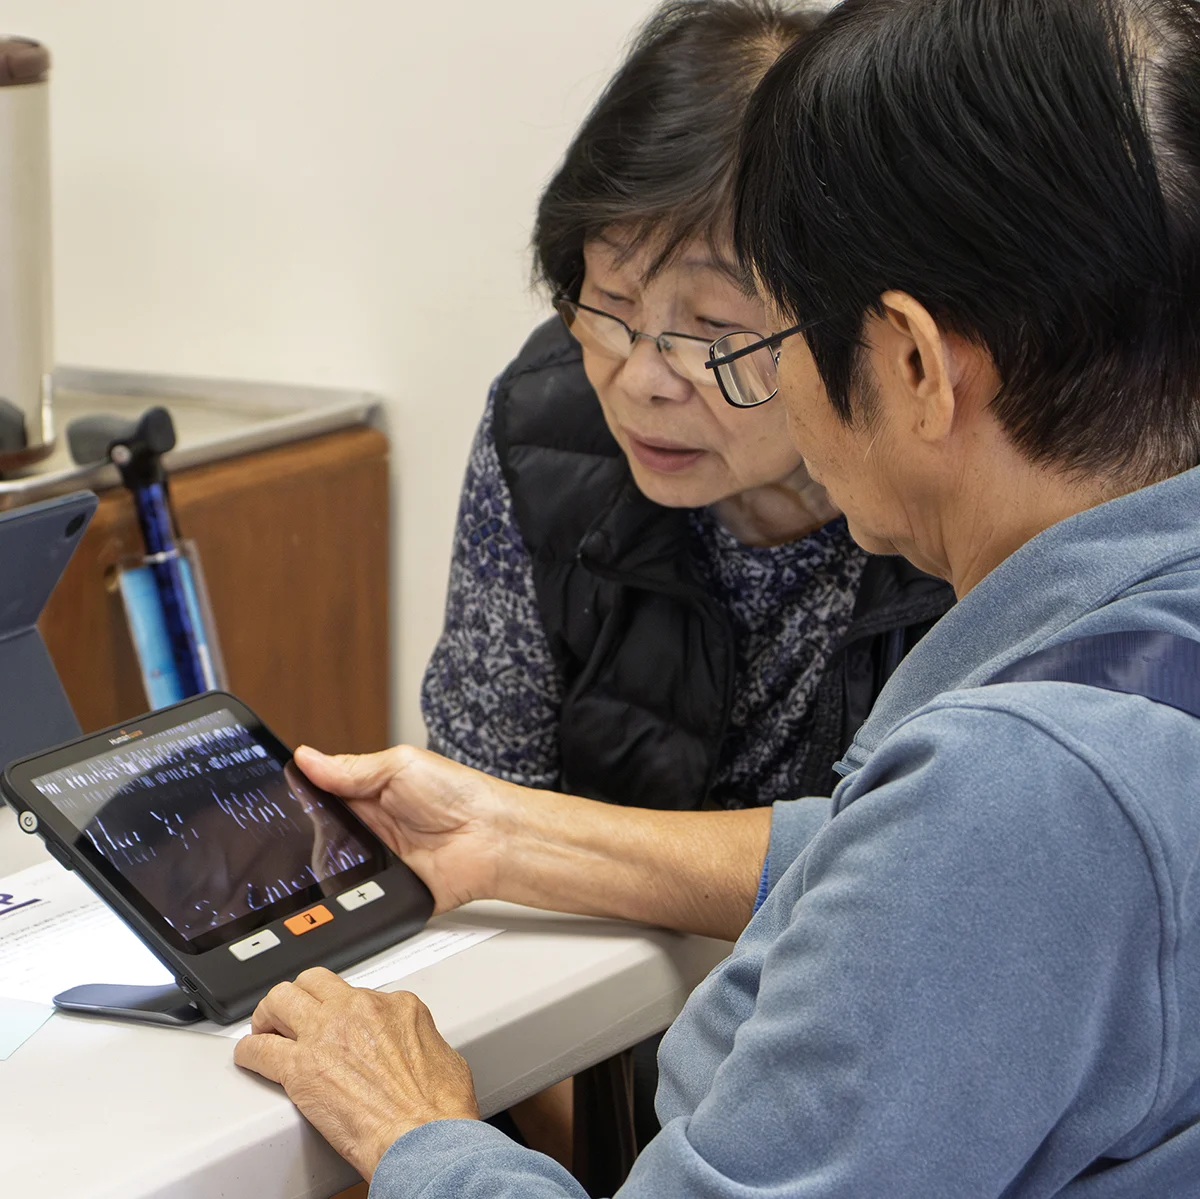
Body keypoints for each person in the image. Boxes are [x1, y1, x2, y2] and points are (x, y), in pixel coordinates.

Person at [236, 0, 1200, 1194]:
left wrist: (421, 1132)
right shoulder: (1127, 661)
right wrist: (512, 832)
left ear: (909, 361)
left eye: (754, 334)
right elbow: (899, 860)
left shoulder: (1013, 792)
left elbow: (964, 856)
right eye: (611, 313)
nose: (653, 378)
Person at [421, 0, 952, 816]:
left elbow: (918, 862)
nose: (642, 379)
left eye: (713, 328)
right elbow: (482, 797)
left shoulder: (951, 488)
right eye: (610, 301)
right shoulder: (545, 425)